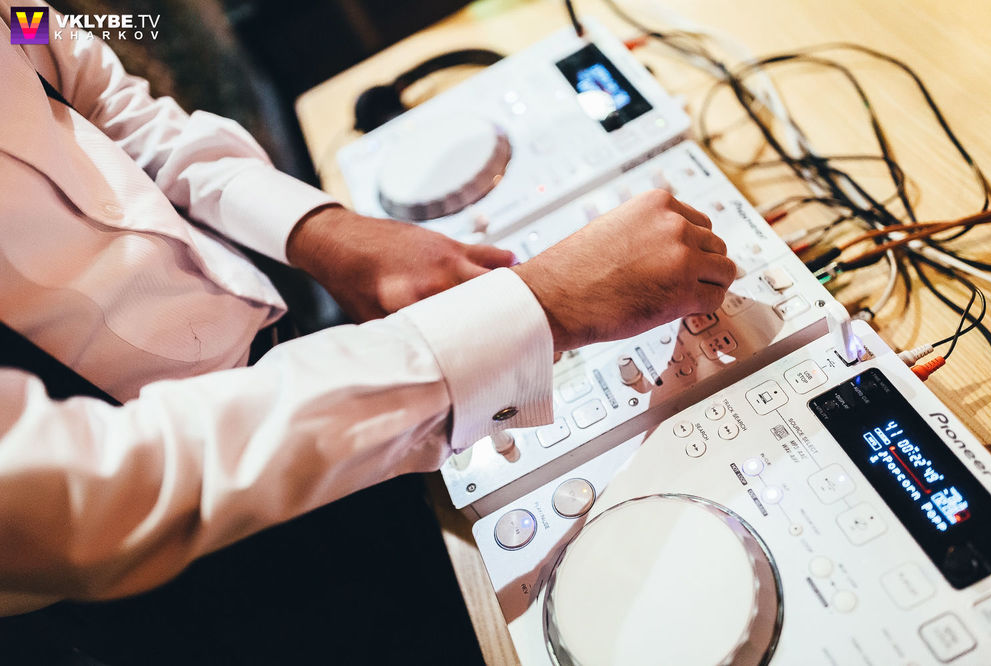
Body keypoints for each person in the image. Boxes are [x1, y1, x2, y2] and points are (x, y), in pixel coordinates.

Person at [0, 0, 737, 661]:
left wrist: (320, 230)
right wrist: (536, 309)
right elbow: (80, 494)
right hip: (177, 572)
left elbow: (91, 87)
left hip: (285, 356)